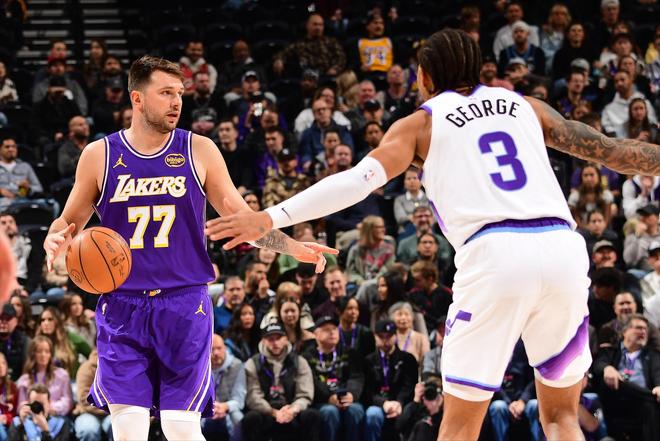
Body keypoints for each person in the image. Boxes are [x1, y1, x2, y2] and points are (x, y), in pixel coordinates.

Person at [208, 28, 660, 440]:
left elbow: (357, 181)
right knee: (561, 415)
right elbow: (611, 150)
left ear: (424, 77)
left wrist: (269, 217)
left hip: (496, 252)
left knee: (460, 424)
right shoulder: (526, 105)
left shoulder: (421, 123)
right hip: (563, 248)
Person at [41, 55, 332, 441]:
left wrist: (291, 247)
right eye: (165, 93)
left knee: (181, 428)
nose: (176, 101)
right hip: (122, 304)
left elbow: (244, 219)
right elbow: (67, 223)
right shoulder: (100, 155)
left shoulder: (199, 150)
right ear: (137, 99)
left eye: (179, 93)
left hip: (183, 303)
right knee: (128, 430)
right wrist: (54, 237)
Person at [242, 322, 320, 441]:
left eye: (278, 338)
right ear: (263, 341)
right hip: (266, 410)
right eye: (270, 339)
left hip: (292, 408)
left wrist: (292, 410)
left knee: (312, 416)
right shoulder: (252, 363)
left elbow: (305, 394)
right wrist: (273, 412)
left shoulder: (299, 361)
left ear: (286, 339)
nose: (275, 343)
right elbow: (253, 396)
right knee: (251, 418)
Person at [593, 314, 660, 441]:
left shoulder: (652, 355)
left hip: (642, 401)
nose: (643, 332)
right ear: (625, 332)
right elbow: (598, 364)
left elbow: (658, 372)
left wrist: (658, 386)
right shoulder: (611, 350)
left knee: (650, 405)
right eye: (638, 328)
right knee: (647, 399)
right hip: (616, 396)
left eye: (645, 329)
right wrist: (607, 368)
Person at [302, 315, 365, 441]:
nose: (332, 332)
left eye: (335, 329)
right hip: (322, 400)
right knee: (330, 412)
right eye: (326, 330)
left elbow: (356, 377)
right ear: (316, 334)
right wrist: (329, 397)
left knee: (355, 410)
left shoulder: (350, 353)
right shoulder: (307, 356)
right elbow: (311, 381)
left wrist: (351, 395)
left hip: (347, 398)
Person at [363, 319, 418, 441]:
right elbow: (368, 391)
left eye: (389, 336)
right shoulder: (368, 361)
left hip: (402, 403)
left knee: (411, 412)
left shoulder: (408, 359)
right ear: (375, 337)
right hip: (378, 403)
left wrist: (399, 403)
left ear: (396, 336)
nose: (385, 340)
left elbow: (409, 387)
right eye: (381, 336)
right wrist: (383, 403)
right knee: (373, 414)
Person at [202, 334, 245, 441]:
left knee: (238, 419)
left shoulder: (237, 365)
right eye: (212, 349)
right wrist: (209, 408)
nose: (216, 353)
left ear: (225, 348)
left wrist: (225, 406)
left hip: (229, 409)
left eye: (219, 348)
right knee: (190, 421)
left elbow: (239, 399)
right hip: (204, 409)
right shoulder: (200, 366)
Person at [16, 336, 72, 417]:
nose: (43, 355)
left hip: (55, 415)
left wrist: (49, 407)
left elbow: (67, 402)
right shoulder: (25, 379)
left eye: (47, 351)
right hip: (32, 417)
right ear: (33, 354)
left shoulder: (62, 375)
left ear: (51, 354)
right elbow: (21, 404)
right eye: (39, 351)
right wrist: (27, 408)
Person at [73, 349, 112, 441]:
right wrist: (110, 408)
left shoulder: (119, 366)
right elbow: (84, 399)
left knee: (120, 426)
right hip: (87, 412)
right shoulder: (86, 368)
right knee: (88, 430)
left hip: (112, 412)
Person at [0, 304, 28, 381]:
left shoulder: (25, 342)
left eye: (7, 318)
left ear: (16, 321)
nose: (3, 322)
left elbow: (27, 371)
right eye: (0, 318)